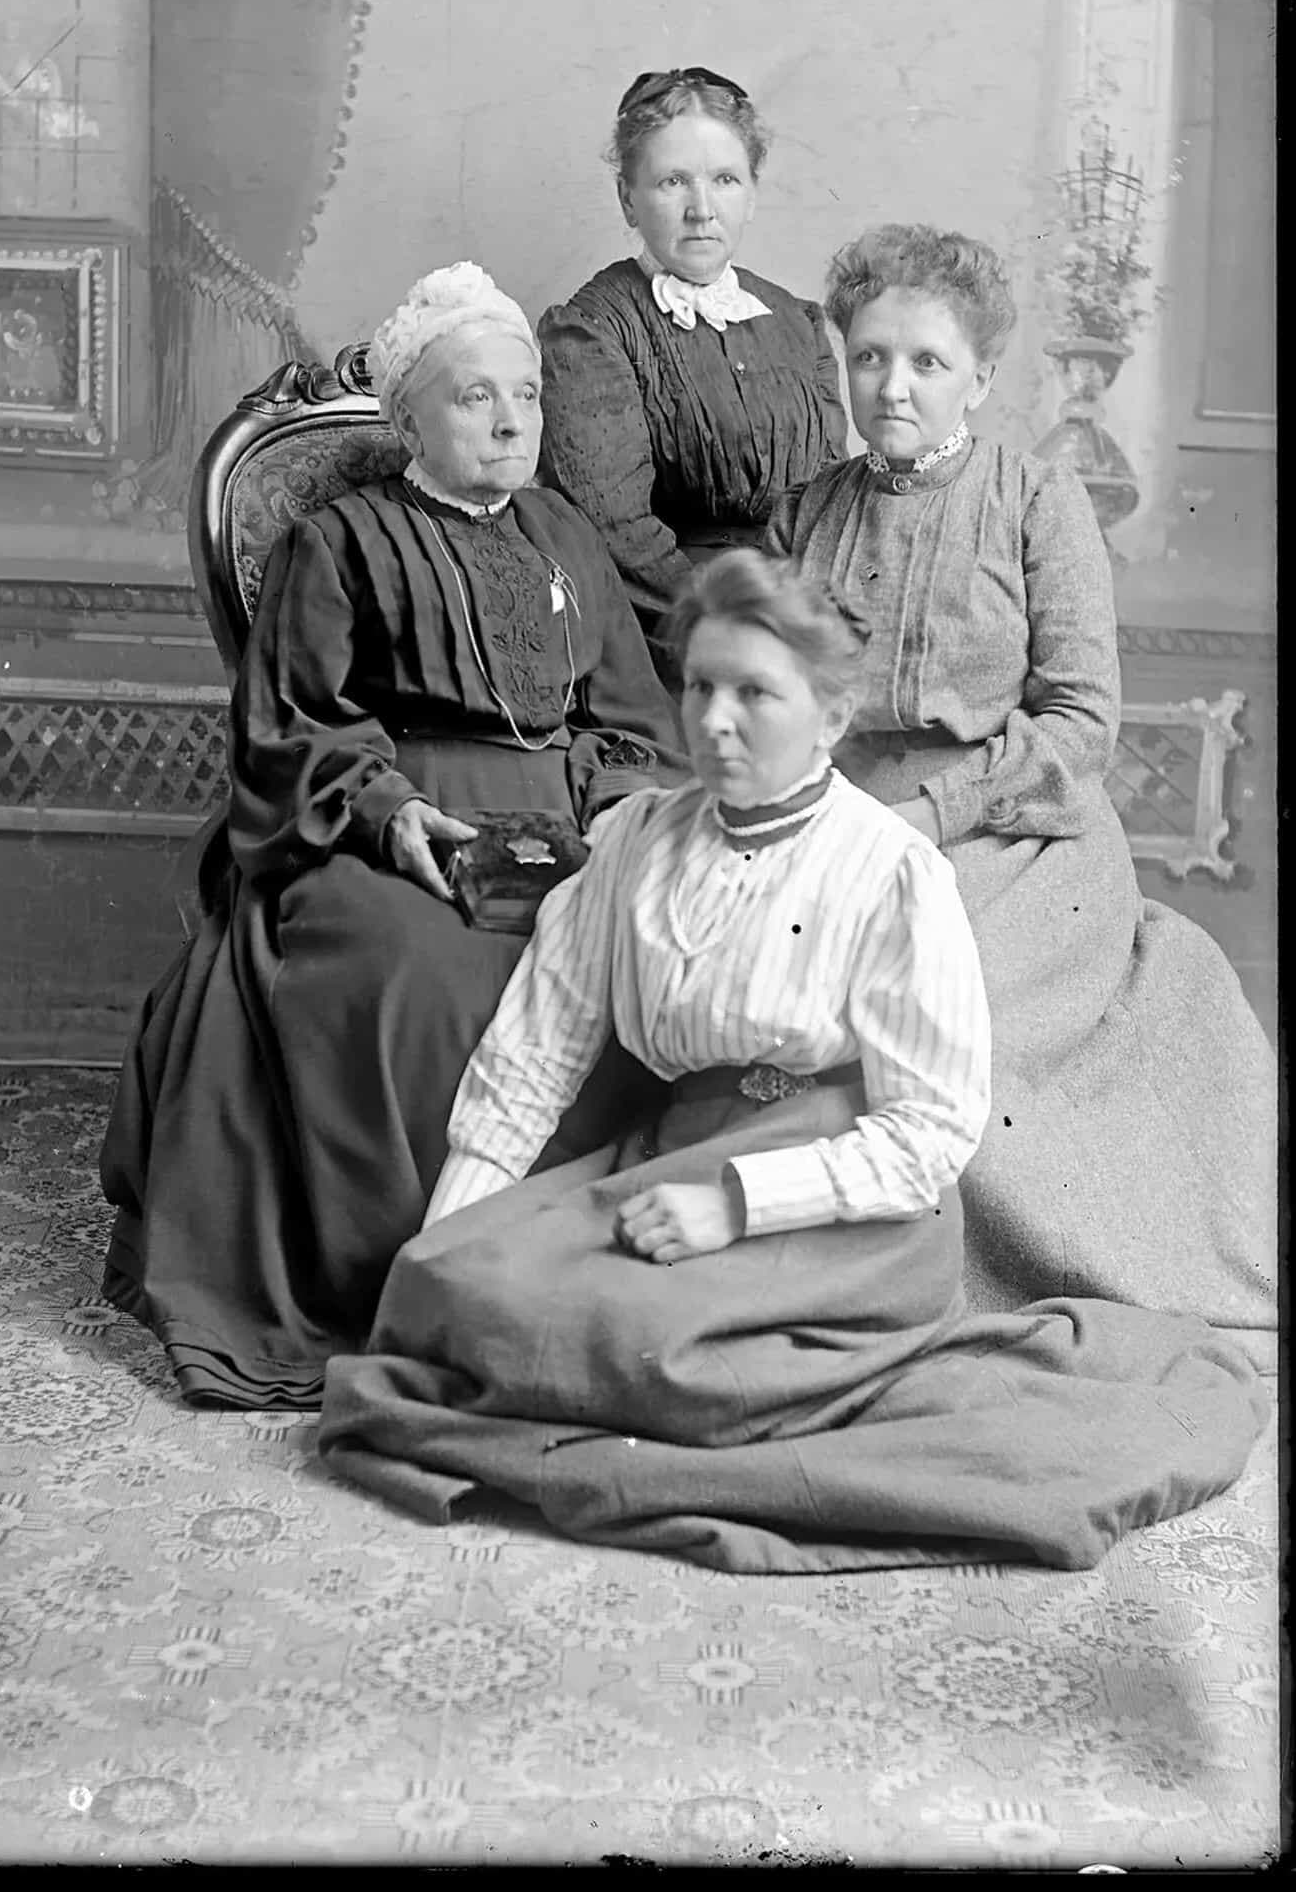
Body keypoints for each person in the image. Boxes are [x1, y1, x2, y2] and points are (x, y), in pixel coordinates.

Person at [316, 553, 1268, 1574]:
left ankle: (721, 1388)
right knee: (451, 1284)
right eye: (700, 687)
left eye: (755, 693)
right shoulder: (638, 836)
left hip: (836, 1201)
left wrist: (734, 1202)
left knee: (633, 1342)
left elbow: (930, 1133)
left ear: (828, 714)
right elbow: (534, 1057)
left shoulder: (891, 870)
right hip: (671, 1155)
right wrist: (452, 1230)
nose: (715, 721)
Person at [99, 262, 689, 1409]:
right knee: (425, 975)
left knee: (635, 956)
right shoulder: (340, 539)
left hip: (566, 820)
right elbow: (287, 724)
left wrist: (610, 811)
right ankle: (416, 1287)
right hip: (383, 825)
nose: (512, 418)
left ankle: (565, 1297)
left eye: (524, 394)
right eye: (475, 397)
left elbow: (632, 716)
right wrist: (390, 811)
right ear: (410, 414)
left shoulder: (569, 534)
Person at [760, 223, 1276, 1371]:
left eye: (928, 363)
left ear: (981, 379)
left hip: (1012, 832)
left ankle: (964, 1290)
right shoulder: (804, 513)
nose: (892, 387)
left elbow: (1081, 718)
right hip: (839, 825)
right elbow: (770, 706)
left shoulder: (1038, 499)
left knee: (942, 1011)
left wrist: (930, 820)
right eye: (870, 358)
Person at [536, 66, 849, 682]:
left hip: (800, 618)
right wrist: (736, 628)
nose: (701, 210)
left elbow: (831, 504)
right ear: (628, 196)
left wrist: (809, 623)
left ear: (752, 192)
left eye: (725, 180)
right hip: (667, 630)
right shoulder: (593, 329)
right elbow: (614, 528)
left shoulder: (797, 320)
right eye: (673, 181)